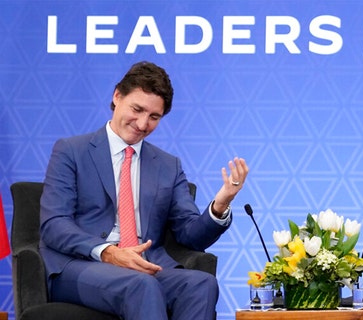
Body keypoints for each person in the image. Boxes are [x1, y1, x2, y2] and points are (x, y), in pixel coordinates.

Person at [39, 61, 249, 320]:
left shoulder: (167, 165)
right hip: (82, 266)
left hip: (145, 266)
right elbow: (54, 224)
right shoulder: (71, 151)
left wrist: (220, 204)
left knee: (201, 284)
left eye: (154, 117)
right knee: (141, 285)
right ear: (117, 96)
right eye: (137, 109)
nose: (142, 124)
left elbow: (190, 235)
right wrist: (109, 252)